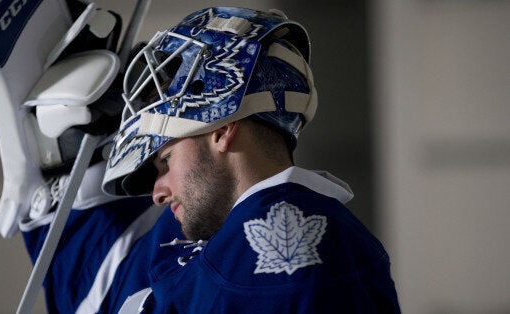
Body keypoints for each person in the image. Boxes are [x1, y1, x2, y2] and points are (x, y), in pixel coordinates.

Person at [102, 6, 401, 313]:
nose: (158, 193)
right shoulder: (238, 235)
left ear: (221, 130)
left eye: (166, 161)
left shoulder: (275, 247)